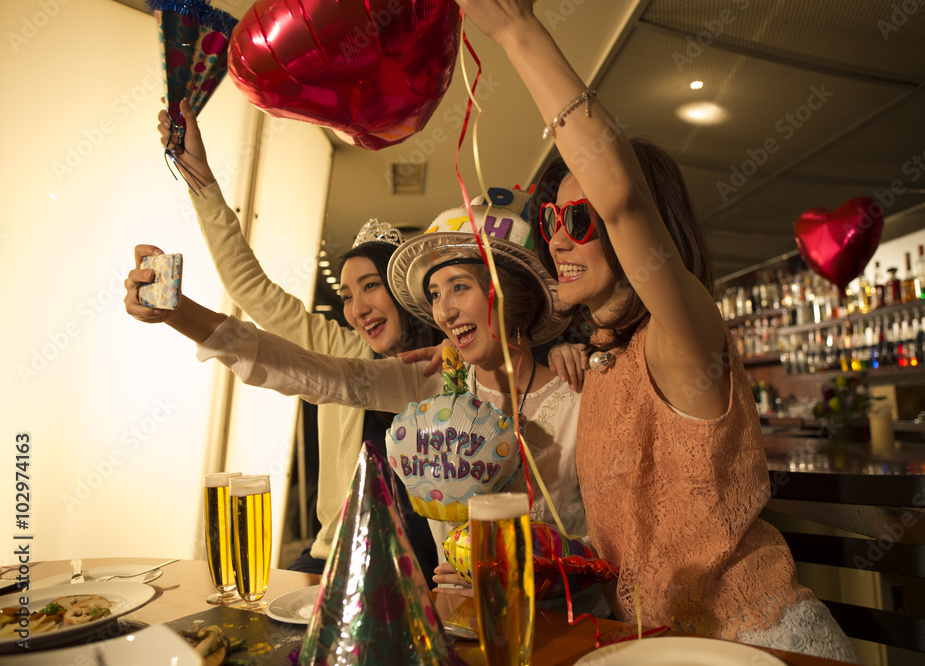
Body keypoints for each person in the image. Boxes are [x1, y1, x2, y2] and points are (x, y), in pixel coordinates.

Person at [454, 0, 860, 661]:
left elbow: (624, 199)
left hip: (759, 643)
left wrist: (516, 29)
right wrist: (531, 557)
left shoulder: (685, 336)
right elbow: (635, 551)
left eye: (582, 221)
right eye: (551, 219)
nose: (558, 236)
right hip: (659, 648)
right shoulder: (603, 360)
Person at [123, 193, 595, 605]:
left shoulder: (581, 393)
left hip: (559, 631)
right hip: (452, 623)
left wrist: (536, 571)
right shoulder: (428, 382)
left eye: (460, 287)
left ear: (507, 292)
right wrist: (178, 312)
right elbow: (307, 372)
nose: (445, 310)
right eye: (434, 293)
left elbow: (611, 549)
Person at [157, 102, 442, 578]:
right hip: (336, 554)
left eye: (370, 286)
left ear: (403, 287)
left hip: (423, 565)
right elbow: (252, 289)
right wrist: (200, 179)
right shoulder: (338, 347)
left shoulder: (448, 365)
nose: (357, 309)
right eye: (346, 295)